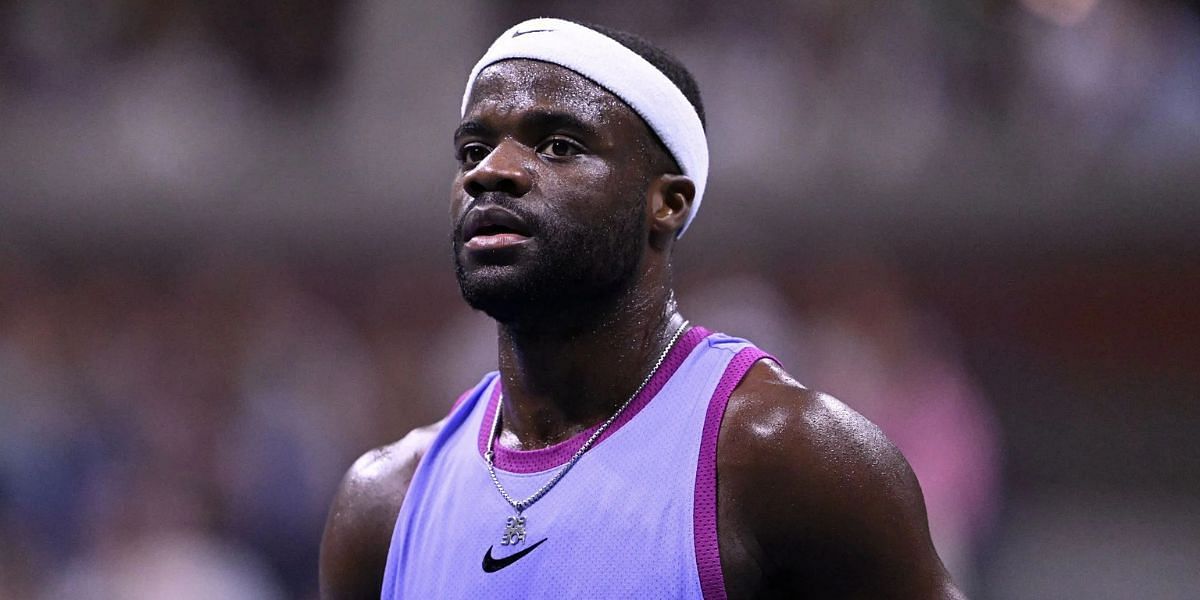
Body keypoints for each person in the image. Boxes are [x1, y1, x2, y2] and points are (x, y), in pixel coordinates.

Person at [320, 18, 964, 599]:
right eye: (472, 150)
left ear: (668, 202)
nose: (492, 171)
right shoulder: (383, 505)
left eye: (558, 146)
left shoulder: (792, 460)